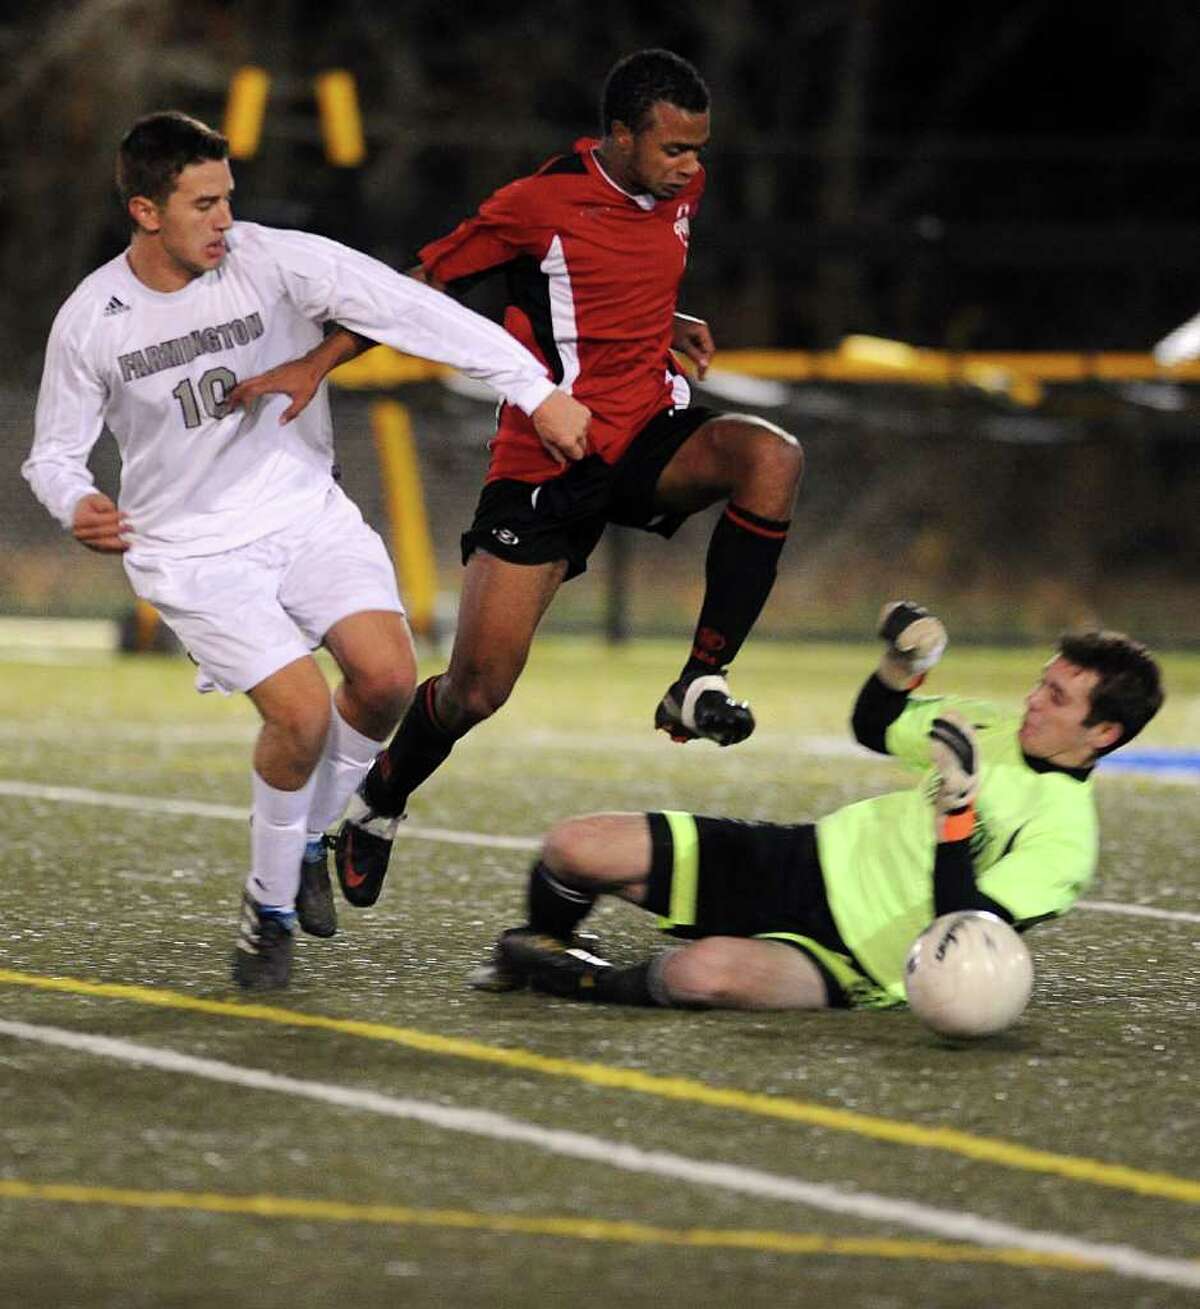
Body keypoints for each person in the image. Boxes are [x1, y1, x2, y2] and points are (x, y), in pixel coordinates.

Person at [21, 111, 590, 992]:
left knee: (389, 680)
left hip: (301, 509)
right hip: (193, 550)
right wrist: (77, 501)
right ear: (144, 210)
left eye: (228, 199)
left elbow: (409, 308)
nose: (223, 220)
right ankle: (269, 905)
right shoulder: (94, 318)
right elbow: (52, 453)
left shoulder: (273, 258)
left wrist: (531, 386)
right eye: (202, 204)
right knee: (300, 716)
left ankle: (317, 836)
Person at [230, 48, 806, 912]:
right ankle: (379, 802)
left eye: (700, 149)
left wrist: (666, 320)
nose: (693, 167)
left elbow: (618, 280)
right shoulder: (535, 205)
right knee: (478, 689)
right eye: (676, 149)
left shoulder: (677, 189)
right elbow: (415, 290)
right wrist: (320, 360)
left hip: (649, 433)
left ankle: (700, 679)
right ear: (617, 136)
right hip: (550, 458)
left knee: (772, 457)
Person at [469, 602, 1165, 1011]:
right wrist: (901, 660)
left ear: (1104, 732)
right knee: (575, 844)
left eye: (1057, 698)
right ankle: (544, 939)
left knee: (698, 975)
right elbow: (875, 722)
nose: (1032, 701)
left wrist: (957, 809)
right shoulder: (990, 726)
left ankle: (571, 979)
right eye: (1042, 684)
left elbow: (964, 926)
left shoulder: (1066, 841)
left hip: (859, 958)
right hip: (802, 857)